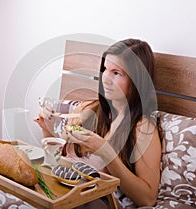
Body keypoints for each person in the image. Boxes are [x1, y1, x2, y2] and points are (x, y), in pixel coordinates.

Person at [34, 38, 161, 208]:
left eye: (117, 73)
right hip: (60, 191)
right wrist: (47, 129)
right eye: (105, 70)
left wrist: (105, 152)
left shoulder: (143, 128)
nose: (106, 79)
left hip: (94, 201)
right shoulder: (89, 108)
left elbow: (148, 199)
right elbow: (58, 162)